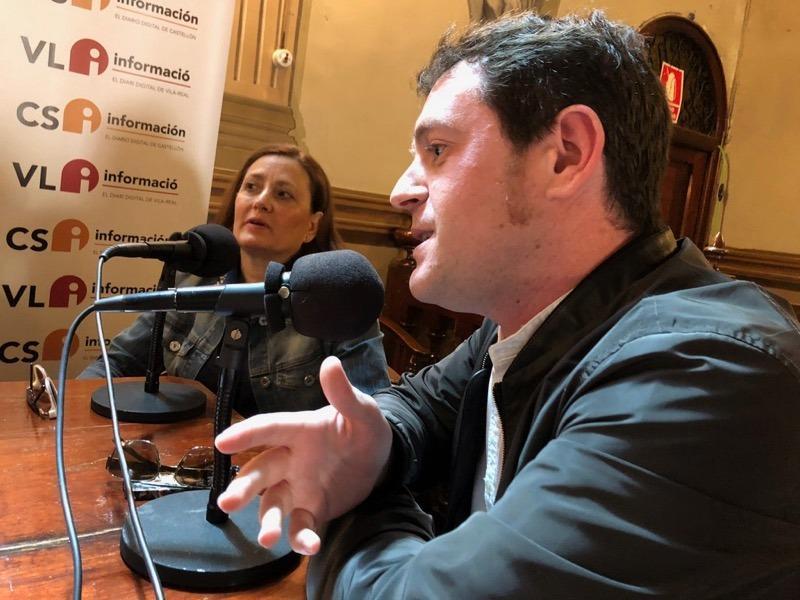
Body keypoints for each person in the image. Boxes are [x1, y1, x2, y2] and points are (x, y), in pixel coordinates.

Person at [214, 11, 800, 598]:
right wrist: (374, 441)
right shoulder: (524, 320)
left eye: (437, 150)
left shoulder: (706, 374)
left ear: (565, 155)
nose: (400, 192)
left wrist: (351, 487)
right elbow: (419, 404)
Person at [80, 144, 390, 415]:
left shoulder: (338, 300)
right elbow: (117, 363)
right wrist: (69, 414)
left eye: (283, 194)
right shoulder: (191, 280)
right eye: (251, 187)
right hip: (185, 458)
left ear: (312, 226)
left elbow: (371, 418)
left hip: (285, 462)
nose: (261, 202)